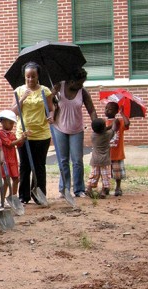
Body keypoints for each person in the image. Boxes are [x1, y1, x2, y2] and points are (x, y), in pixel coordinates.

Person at [11, 61, 54, 205]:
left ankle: (39, 194)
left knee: (39, 165)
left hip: (42, 133)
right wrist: (22, 98)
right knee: (25, 166)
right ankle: (24, 196)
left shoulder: (45, 91)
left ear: (38, 77)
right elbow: (14, 112)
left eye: (33, 77)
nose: (30, 80)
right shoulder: (18, 91)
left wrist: (52, 115)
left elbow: (51, 108)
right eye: (27, 77)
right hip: (23, 133)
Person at [51, 67, 98, 198]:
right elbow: (48, 104)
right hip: (59, 128)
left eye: (83, 83)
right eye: (79, 83)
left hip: (76, 130)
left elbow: (92, 110)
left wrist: (96, 124)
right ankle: (64, 189)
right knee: (63, 160)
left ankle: (79, 189)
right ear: (71, 81)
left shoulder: (82, 92)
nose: (81, 85)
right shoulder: (58, 87)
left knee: (77, 160)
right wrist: (51, 94)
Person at [0, 110, 28, 198]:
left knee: (16, 179)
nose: (12, 125)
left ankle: (13, 196)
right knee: (6, 181)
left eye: (13, 124)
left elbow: (18, 144)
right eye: (10, 123)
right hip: (5, 161)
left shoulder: (12, 134)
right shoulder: (1, 134)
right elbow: (9, 144)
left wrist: (23, 138)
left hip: (13, 160)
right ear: (2, 121)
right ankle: (2, 199)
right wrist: (20, 138)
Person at [86, 118, 119, 199]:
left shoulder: (93, 135)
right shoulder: (107, 135)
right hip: (105, 161)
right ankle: (104, 191)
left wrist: (107, 126)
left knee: (94, 175)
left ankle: (89, 188)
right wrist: (115, 121)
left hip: (95, 161)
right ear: (104, 128)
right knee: (105, 177)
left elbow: (105, 129)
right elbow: (114, 129)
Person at [105, 102, 131, 196]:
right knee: (106, 172)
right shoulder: (104, 122)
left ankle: (118, 187)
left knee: (118, 173)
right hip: (106, 154)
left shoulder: (119, 122)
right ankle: (106, 187)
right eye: (106, 108)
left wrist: (122, 113)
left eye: (110, 109)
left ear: (116, 111)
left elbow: (127, 124)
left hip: (117, 152)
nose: (107, 110)